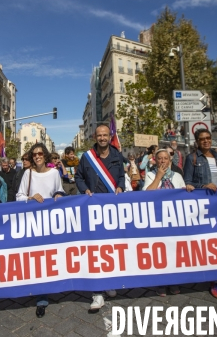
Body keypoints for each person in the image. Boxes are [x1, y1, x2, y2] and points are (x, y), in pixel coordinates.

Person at [76, 123, 125, 311]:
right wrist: (84, 189)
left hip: (112, 209)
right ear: (95, 137)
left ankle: (109, 282)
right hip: (92, 209)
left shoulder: (116, 155)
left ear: (109, 135)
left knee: (110, 248)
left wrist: (120, 186)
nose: (102, 138)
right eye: (99, 135)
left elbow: (121, 176)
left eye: (105, 135)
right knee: (95, 249)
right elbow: (79, 177)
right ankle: (97, 292)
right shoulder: (87, 157)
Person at [16, 143, 65, 318]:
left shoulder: (54, 173)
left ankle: (51, 287)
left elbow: (60, 191)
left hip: (50, 223)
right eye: (34, 154)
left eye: (40, 153)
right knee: (36, 259)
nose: (37, 156)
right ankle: (41, 296)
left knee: (49, 257)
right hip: (33, 223)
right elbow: (19, 196)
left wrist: (59, 195)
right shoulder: (27, 174)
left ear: (45, 155)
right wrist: (30, 197)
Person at [182, 129, 217, 299]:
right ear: (197, 142)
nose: (206, 141)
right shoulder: (192, 158)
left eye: (208, 138)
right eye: (202, 139)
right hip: (205, 206)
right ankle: (213, 280)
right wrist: (203, 187)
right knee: (208, 243)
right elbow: (188, 182)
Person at [143, 149, 193, 297]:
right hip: (158, 220)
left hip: (174, 220)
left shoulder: (177, 176)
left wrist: (188, 189)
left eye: (166, 158)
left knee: (174, 250)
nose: (163, 161)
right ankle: (160, 282)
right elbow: (146, 194)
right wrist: (158, 177)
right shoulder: (150, 175)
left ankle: (174, 280)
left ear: (170, 160)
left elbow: (183, 194)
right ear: (156, 161)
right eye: (160, 159)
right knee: (160, 252)